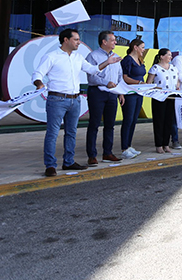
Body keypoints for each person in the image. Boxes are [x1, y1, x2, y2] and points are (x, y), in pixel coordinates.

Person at [32, 28, 122, 177]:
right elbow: (38, 73)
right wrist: (39, 83)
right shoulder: (51, 56)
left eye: (79, 39)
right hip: (57, 99)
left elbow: (92, 70)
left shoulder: (78, 57)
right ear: (66, 40)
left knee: (71, 133)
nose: (79, 42)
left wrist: (107, 62)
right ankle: (50, 165)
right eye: (76, 39)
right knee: (53, 133)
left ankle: (68, 161)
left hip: (75, 99)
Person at [85, 30, 125, 166]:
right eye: (113, 40)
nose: (115, 42)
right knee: (94, 124)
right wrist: (105, 82)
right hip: (97, 92)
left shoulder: (116, 56)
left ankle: (107, 152)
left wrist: (120, 92)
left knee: (110, 125)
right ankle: (92, 155)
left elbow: (119, 76)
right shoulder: (93, 56)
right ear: (104, 41)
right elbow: (91, 76)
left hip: (112, 94)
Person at [146, 48, 179, 154]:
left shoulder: (173, 68)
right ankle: (159, 145)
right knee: (159, 121)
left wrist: (177, 86)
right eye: (168, 55)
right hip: (159, 97)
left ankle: (166, 144)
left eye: (171, 55)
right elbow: (149, 83)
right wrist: (156, 88)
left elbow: (177, 81)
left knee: (169, 121)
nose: (170, 57)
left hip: (171, 95)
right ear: (161, 56)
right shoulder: (155, 68)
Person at [120, 38, 146, 159]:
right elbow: (125, 77)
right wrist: (138, 82)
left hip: (138, 93)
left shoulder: (140, 60)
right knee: (128, 119)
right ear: (135, 47)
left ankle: (129, 145)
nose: (143, 50)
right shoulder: (127, 60)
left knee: (134, 119)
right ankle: (124, 148)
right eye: (142, 47)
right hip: (129, 93)